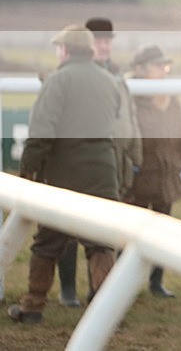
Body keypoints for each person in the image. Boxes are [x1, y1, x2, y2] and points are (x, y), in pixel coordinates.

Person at [8, 25, 120, 323]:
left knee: (47, 242)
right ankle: (108, 313)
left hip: (64, 176)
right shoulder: (109, 81)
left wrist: (28, 172)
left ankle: (32, 306)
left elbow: (41, 132)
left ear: (66, 50)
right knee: (101, 243)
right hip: (104, 173)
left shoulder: (57, 80)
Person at [54, 17, 142, 308]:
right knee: (68, 228)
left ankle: (101, 293)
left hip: (116, 163)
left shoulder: (118, 75)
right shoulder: (69, 74)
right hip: (82, 160)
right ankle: (68, 289)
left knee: (108, 232)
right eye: (99, 41)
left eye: (108, 41)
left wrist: (135, 156)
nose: (104, 46)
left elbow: (128, 118)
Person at [129, 44, 181, 298]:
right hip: (138, 177)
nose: (163, 71)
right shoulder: (130, 96)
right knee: (132, 235)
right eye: (158, 66)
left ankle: (156, 282)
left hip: (166, 177)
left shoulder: (170, 98)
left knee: (161, 233)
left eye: (164, 67)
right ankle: (128, 284)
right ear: (141, 69)